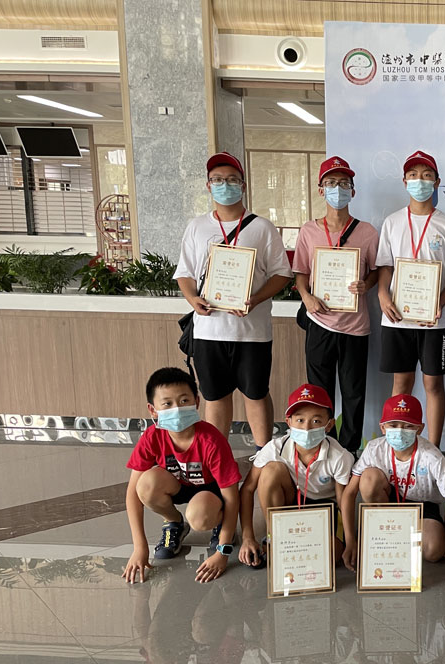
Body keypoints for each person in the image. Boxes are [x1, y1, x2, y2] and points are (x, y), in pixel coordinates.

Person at [174, 152, 293, 448]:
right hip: (209, 330)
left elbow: (282, 274)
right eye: (217, 180)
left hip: (252, 331)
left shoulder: (262, 227)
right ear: (208, 185)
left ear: (243, 185)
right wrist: (192, 298)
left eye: (231, 180)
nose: (224, 185)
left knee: (256, 393)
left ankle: (264, 455)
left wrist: (255, 299)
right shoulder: (197, 227)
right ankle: (219, 455)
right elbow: (185, 273)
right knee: (215, 396)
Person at [293, 156, 380, 454]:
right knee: (320, 393)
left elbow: (377, 270)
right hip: (319, 322)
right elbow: (300, 273)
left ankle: (350, 450)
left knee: (354, 393)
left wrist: (366, 284)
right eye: (331, 183)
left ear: (353, 191)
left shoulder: (367, 232)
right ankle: (324, 447)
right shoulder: (308, 231)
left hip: (355, 326)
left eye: (344, 183)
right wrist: (307, 297)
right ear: (321, 190)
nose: (337, 189)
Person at [122, 367, 241, 584]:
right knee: (145, 484)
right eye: (167, 403)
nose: (177, 409)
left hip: (210, 493)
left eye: (184, 400)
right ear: (152, 410)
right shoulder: (152, 436)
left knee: (200, 517)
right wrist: (139, 547)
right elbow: (132, 493)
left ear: (197, 402)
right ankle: (174, 522)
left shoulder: (212, 441)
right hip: (177, 486)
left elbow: (232, 496)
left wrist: (223, 551)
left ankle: (221, 524)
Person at [376, 150, 445, 448]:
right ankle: (398, 447)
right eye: (413, 175)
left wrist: (441, 302)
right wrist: (382, 294)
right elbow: (385, 266)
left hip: (434, 321)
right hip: (397, 317)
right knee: (401, 383)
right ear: (404, 181)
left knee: (433, 383)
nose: (419, 181)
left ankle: (434, 448)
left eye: (426, 176)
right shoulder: (392, 222)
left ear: (437, 182)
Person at [238, 384, 354, 568]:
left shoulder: (340, 456)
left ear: (329, 425)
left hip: (324, 507)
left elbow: (343, 500)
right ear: (289, 422)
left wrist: (350, 540)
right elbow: (247, 489)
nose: (307, 428)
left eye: (316, 421)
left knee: (331, 555)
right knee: (271, 471)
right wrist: (247, 537)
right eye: (300, 420)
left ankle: (290, 546)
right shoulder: (274, 448)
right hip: (291, 500)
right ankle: (275, 535)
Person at [340, 394, 445, 566]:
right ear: (383, 427)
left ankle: (396, 537)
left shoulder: (432, 455)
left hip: (423, 506)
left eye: (408, 426)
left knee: (434, 550)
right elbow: (349, 493)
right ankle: (384, 527)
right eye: (393, 425)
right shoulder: (374, 448)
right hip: (389, 501)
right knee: (368, 479)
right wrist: (350, 540)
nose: (400, 431)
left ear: (420, 429)